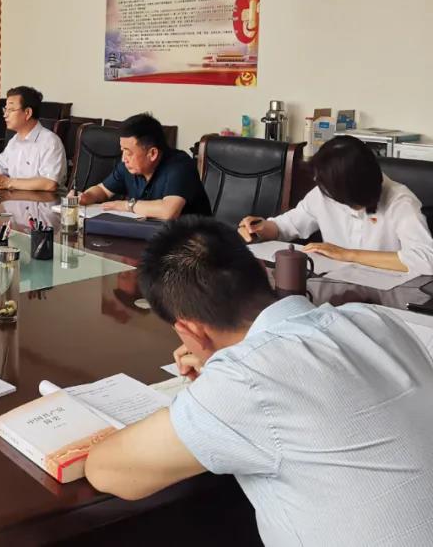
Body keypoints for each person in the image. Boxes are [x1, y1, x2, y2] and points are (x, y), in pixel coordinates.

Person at [84, 217, 433, 546]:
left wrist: (219, 380)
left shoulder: (245, 381)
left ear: (189, 329)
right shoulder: (375, 320)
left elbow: (108, 471)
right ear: (262, 274)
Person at [238, 135, 433, 273]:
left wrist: (348, 254)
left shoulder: (400, 202)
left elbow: (426, 259)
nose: (322, 190)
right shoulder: (324, 192)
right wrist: (260, 229)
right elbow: (286, 226)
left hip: (388, 295)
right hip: (337, 285)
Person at [75, 113, 210, 219]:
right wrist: (85, 197)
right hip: (150, 235)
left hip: (193, 240)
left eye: (129, 153)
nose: (124, 159)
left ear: (152, 153)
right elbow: (102, 190)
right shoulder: (128, 166)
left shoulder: (180, 166)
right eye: (122, 151)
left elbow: (168, 211)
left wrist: (127, 206)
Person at [0, 86, 65, 191]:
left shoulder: (50, 142)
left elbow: (50, 183)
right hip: (15, 198)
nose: (5, 115)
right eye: (5, 110)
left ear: (28, 113)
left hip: (43, 200)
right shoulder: (14, 141)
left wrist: (7, 182)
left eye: (11, 110)